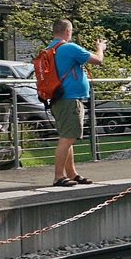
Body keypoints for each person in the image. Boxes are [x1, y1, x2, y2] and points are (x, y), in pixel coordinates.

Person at [48, 18, 106, 187]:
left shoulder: (49, 48)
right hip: (70, 99)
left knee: (67, 137)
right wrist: (100, 48)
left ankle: (72, 174)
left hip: (58, 99)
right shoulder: (69, 47)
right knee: (67, 138)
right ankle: (58, 176)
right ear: (67, 32)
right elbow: (97, 60)